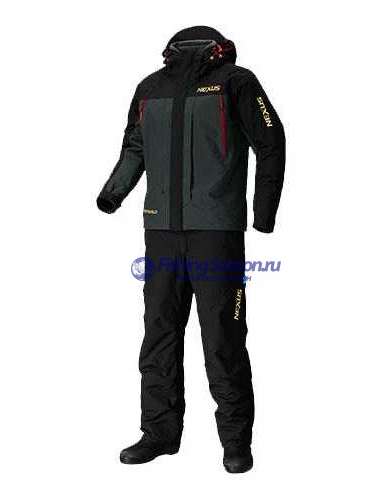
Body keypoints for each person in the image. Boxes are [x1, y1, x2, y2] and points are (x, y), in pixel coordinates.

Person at [97, 26, 285, 473]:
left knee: (222, 336)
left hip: (216, 233)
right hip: (161, 231)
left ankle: (235, 443)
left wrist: (263, 214)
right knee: (158, 333)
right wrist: (113, 193)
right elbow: (135, 146)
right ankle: (159, 433)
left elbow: (271, 141)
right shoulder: (150, 88)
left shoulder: (236, 82)